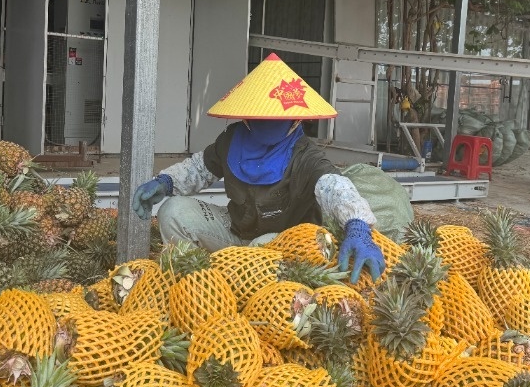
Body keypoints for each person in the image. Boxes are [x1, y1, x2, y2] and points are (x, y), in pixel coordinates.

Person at [131, 53, 387, 283]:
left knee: (259, 248)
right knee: (172, 212)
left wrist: (357, 226)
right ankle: (195, 281)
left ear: (296, 119)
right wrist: (165, 182)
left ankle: (237, 283)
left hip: (285, 244)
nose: (268, 120)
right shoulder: (232, 140)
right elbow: (199, 168)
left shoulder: (306, 156)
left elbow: (335, 187)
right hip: (236, 230)